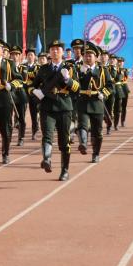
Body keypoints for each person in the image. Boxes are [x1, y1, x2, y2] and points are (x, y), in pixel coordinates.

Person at [32, 40, 80, 180]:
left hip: (64, 107)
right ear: (49, 52)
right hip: (47, 107)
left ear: (62, 52)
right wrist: (35, 91)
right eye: (52, 49)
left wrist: (68, 80)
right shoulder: (43, 69)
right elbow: (33, 85)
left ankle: (64, 170)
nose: (55, 51)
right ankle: (47, 159)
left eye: (58, 49)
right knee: (47, 135)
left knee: (64, 141)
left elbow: (77, 88)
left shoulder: (70, 68)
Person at [75, 42, 111, 163]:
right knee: (82, 125)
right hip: (83, 101)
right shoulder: (78, 69)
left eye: (90, 55)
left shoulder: (102, 70)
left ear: (96, 57)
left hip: (97, 103)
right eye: (85, 55)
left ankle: (96, 153)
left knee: (97, 132)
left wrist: (104, 93)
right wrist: (82, 73)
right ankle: (83, 144)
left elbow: (110, 86)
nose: (87, 58)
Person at [9, 46, 28, 147]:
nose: (14, 57)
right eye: (12, 54)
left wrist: (12, 84)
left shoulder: (23, 68)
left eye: (16, 54)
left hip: (20, 94)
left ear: (20, 56)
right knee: (8, 117)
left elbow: (24, 80)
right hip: (9, 93)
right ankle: (8, 137)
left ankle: (21, 138)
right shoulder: (7, 66)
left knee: (21, 117)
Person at [22, 49, 40, 139]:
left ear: (35, 56)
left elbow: (38, 78)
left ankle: (34, 131)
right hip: (24, 91)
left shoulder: (38, 67)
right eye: (28, 55)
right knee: (22, 111)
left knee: (34, 113)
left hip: (34, 92)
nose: (30, 57)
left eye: (31, 55)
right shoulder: (22, 67)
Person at [114, 56, 129, 128]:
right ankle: (116, 123)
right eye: (118, 62)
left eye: (121, 62)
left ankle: (123, 121)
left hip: (124, 88)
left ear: (123, 62)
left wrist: (122, 71)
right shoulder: (114, 69)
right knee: (117, 106)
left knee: (124, 106)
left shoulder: (125, 70)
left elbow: (125, 77)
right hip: (118, 88)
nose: (119, 63)